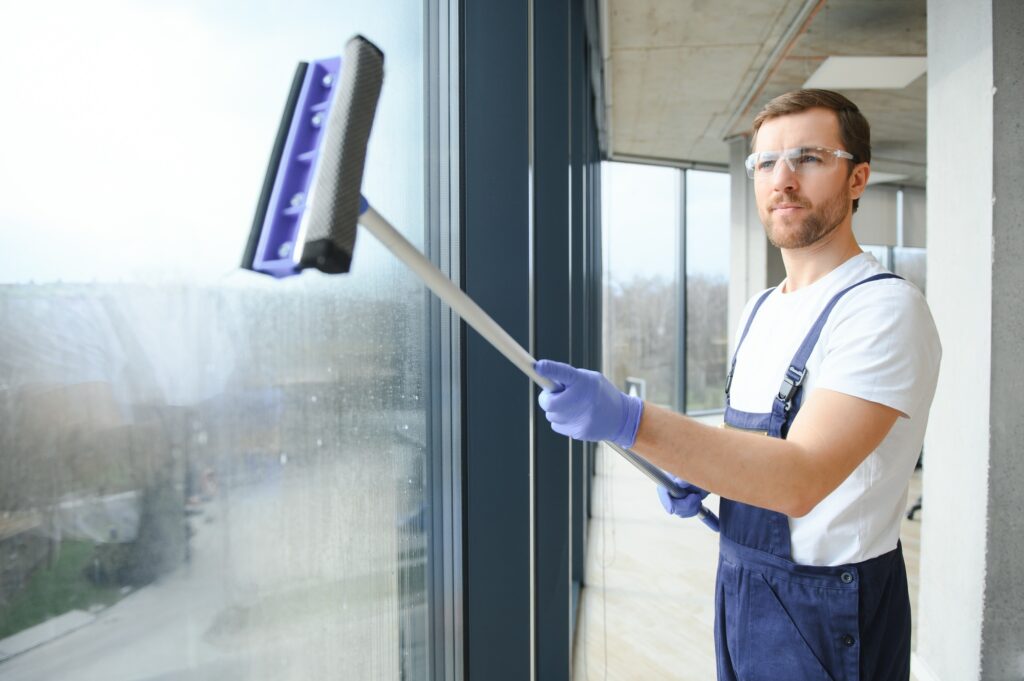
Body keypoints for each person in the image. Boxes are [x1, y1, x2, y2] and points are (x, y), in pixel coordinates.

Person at [535, 89, 941, 681]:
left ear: (857, 178)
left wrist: (632, 421)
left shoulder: (882, 309)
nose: (783, 179)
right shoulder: (761, 309)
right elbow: (751, 441)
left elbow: (800, 478)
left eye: (808, 158)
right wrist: (700, 469)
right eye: (766, 162)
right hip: (743, 588)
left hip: (830, 612)